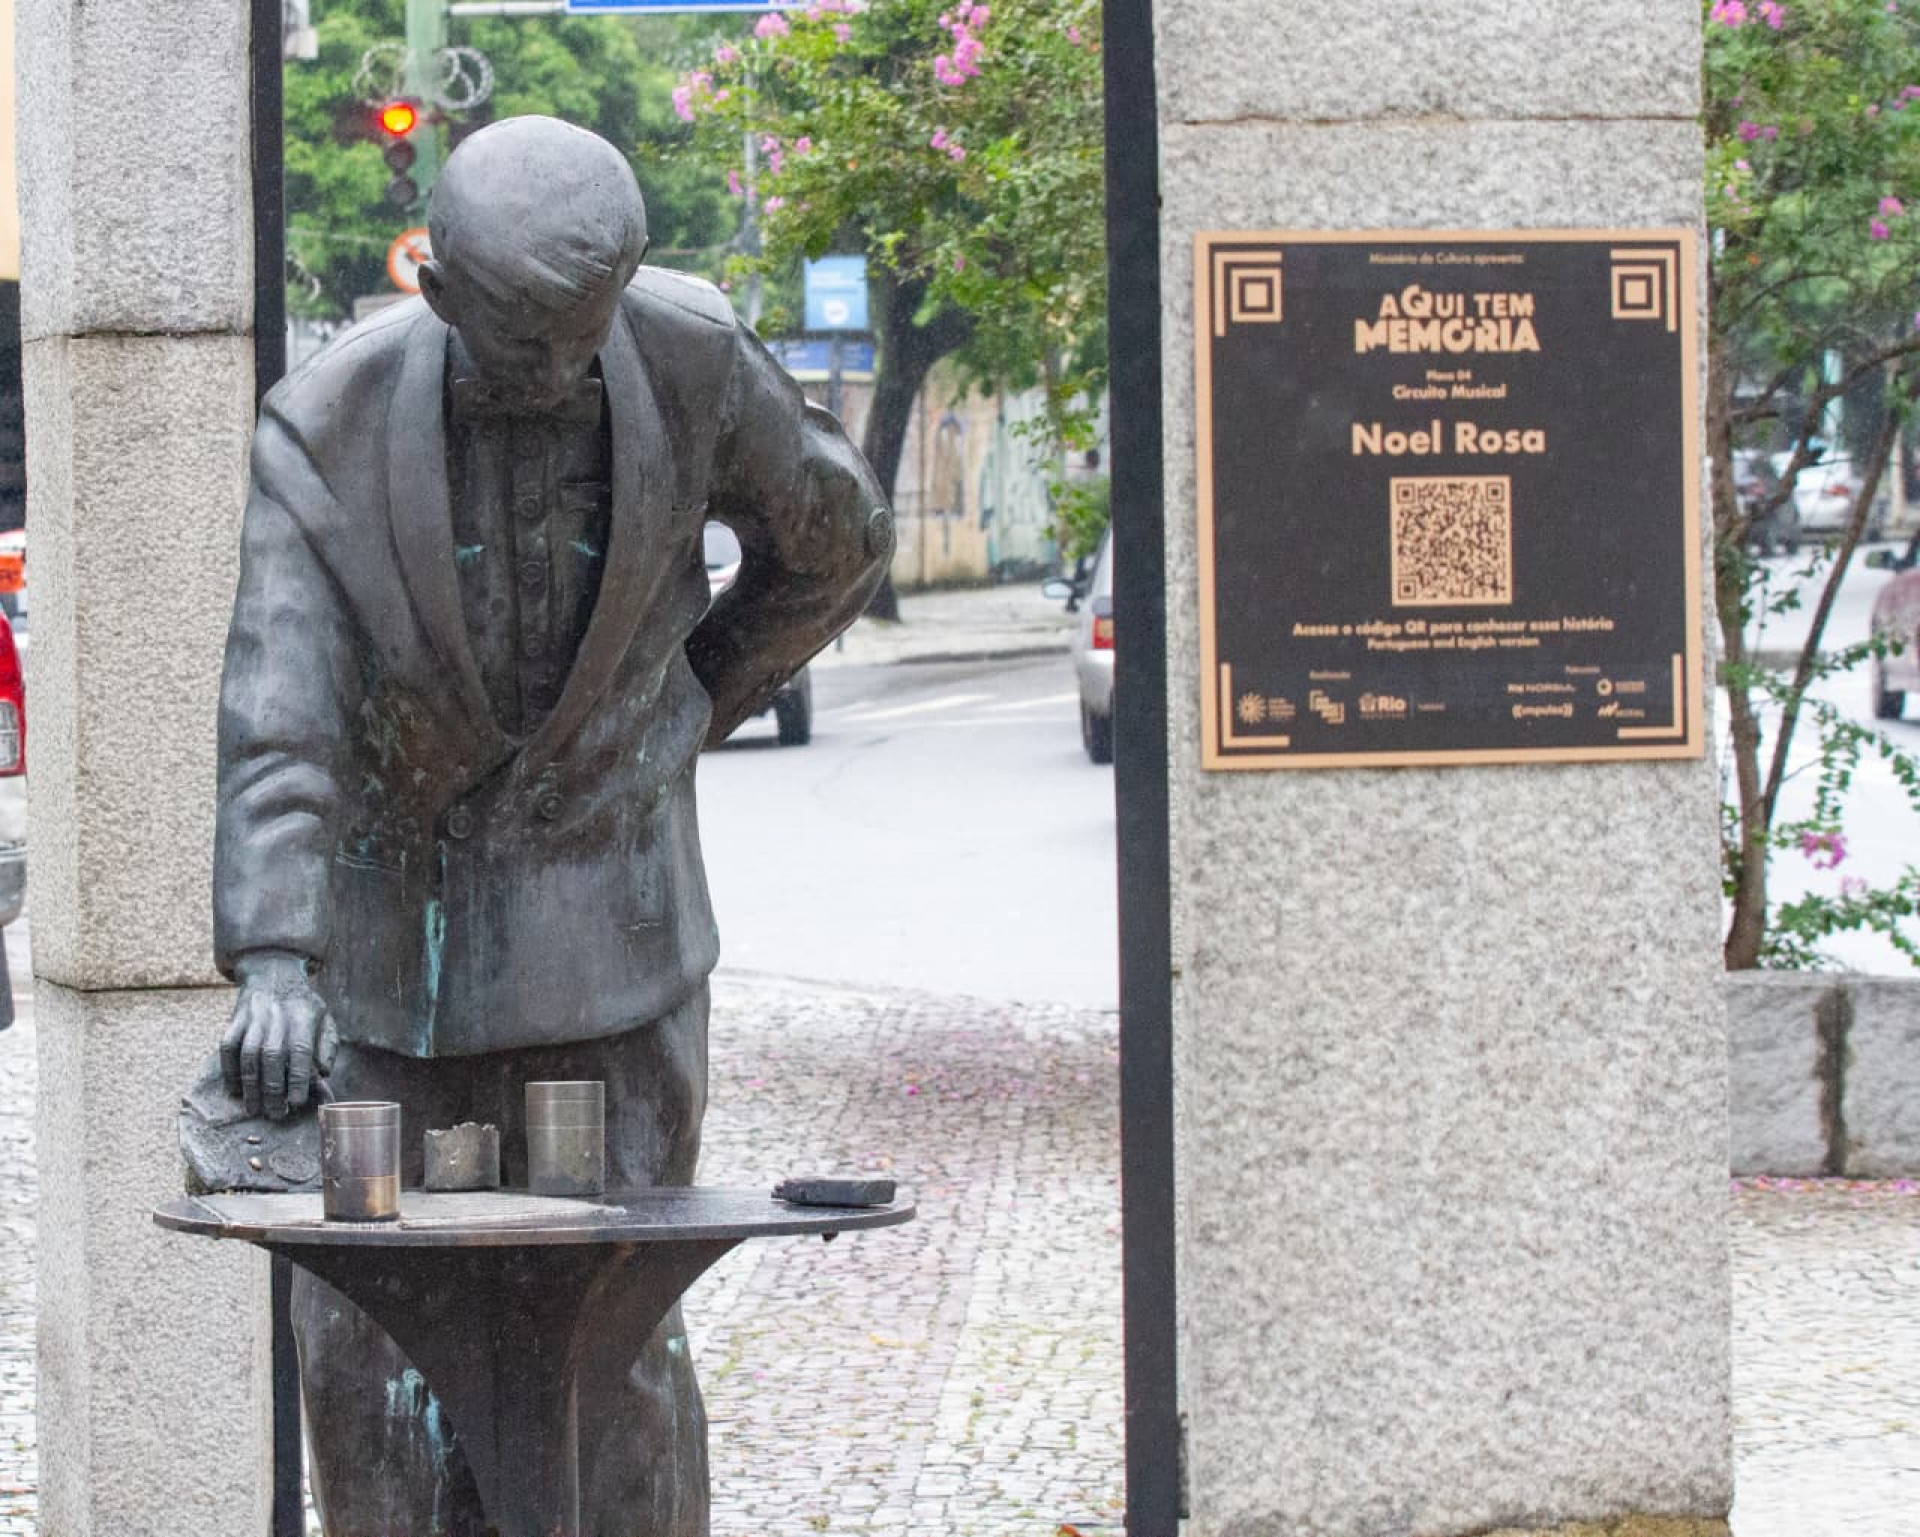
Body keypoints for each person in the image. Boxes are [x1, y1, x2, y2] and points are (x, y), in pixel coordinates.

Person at [209, 116, 891, 1534]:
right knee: (371, 1364)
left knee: (618, 1349)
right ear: (438, 293)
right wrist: (274, 955)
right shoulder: (323, 426)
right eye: (530, 342)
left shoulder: (692, 356)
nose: (571, 370)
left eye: (590, 330)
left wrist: (693, 704)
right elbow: (285, 707)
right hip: (392, 973)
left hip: (619, 955)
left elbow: (836, 540)